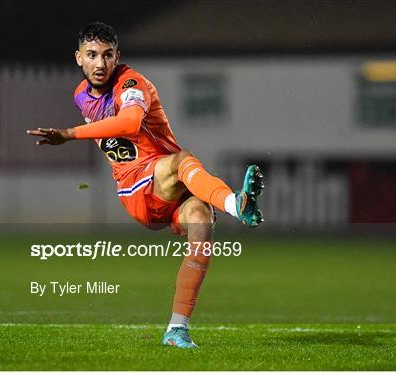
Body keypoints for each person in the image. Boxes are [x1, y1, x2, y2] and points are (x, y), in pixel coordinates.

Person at [27, 21, 264, 349]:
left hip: (169, 190)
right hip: (137, 188)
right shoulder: (81, 96)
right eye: (92, 55)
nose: (100, 63)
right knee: (183, 160)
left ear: (117, 57)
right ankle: (236, 205)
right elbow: (116, 129)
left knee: (202, 223)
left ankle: (176, 329)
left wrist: (68, 135)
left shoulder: (133, 84)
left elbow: (130, 120)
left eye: (108, 55)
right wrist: (75, 135)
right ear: (78, 58)